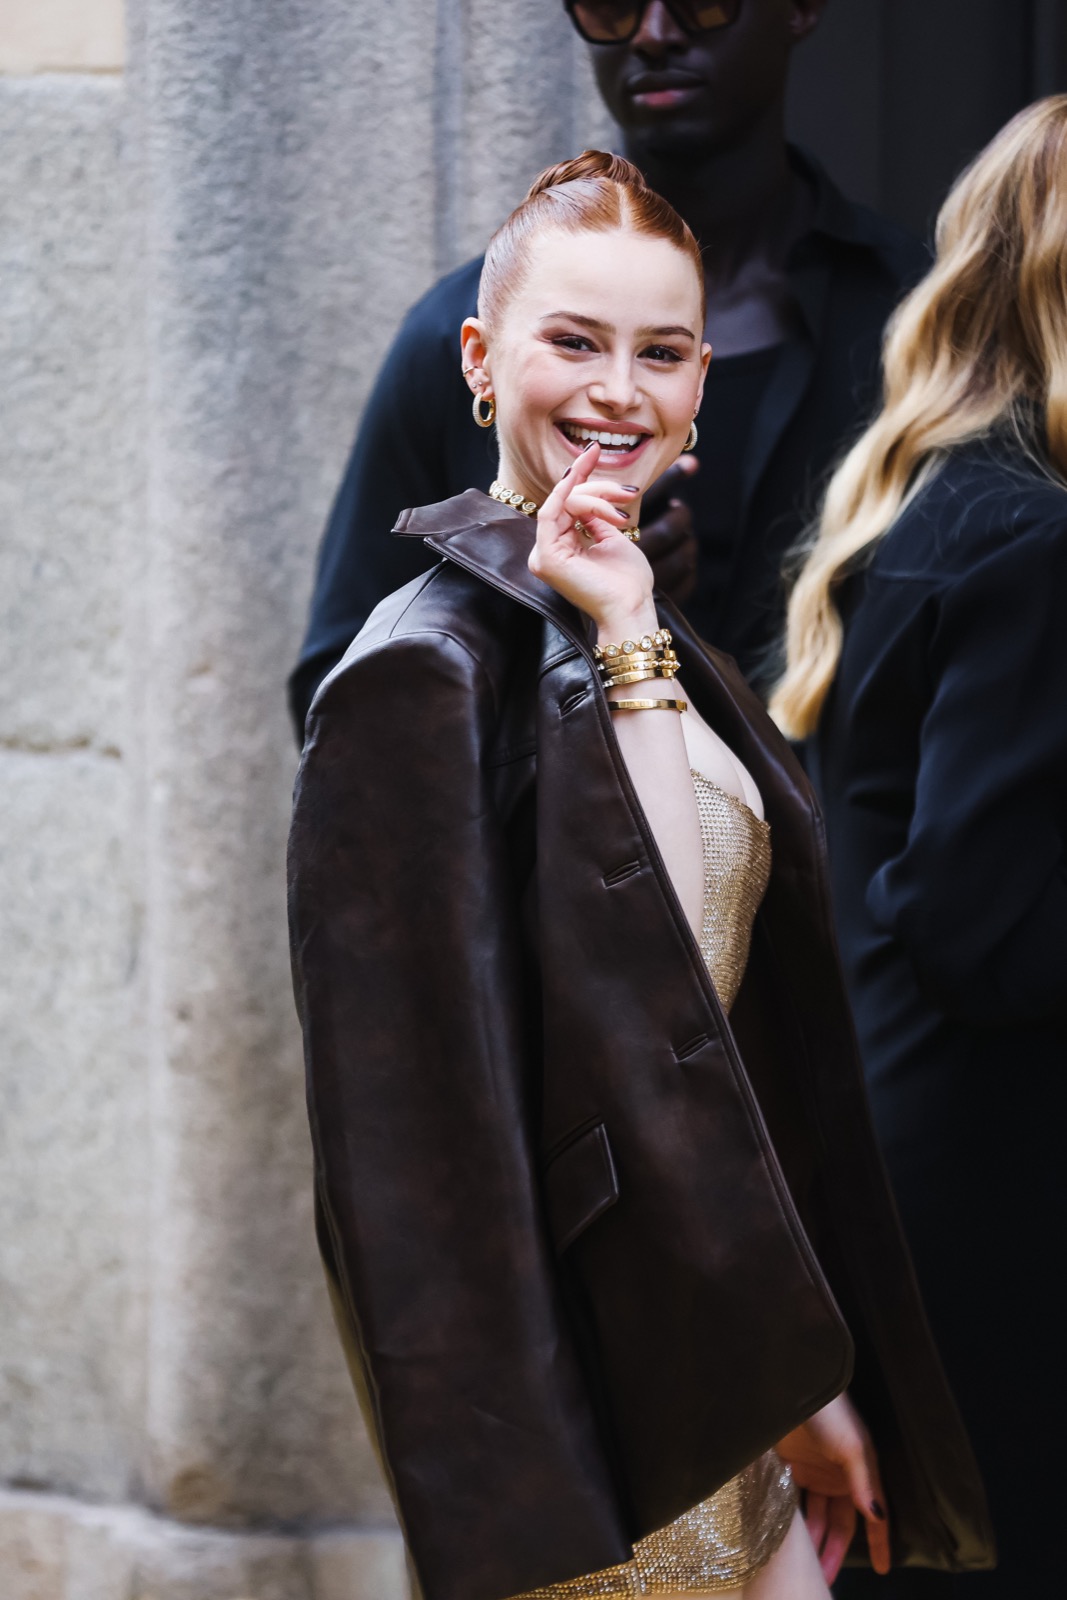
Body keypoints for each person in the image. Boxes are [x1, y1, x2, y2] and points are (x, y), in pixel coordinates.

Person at [288, 152, 992, 1600]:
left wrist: (786, 1374)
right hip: (599, 1423)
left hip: (709, 1366)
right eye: (573, 341)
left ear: (699, 384)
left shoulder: (639, 624)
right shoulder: (419, 672)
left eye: (661, 352)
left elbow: (701, 1028)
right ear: (478, 361)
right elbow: (422, 1167)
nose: (619, 391)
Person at [287, 0, 928, 738]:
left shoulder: (916, 320)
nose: (653, 33)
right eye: (611, 5)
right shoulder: (449, 332)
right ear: (479, 362)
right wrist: (558, 608)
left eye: (702, 1)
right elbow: (343, 696)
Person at [772, 96, 1067, 1598]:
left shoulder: (937, 503)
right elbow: (974, 926)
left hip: (906, 1171)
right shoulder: (1033, 534)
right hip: (993, 1212)